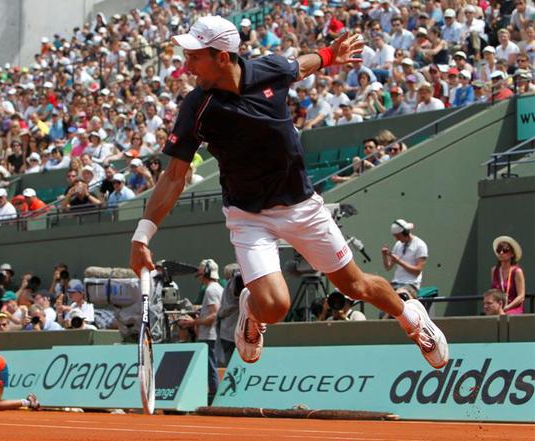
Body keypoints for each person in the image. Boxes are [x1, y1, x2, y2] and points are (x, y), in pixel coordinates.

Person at [128, 16, 448, 369]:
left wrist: (330, 54)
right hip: (248, 216)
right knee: (275, 306)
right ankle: (252, 307)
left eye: (194, 56)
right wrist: (142, 237)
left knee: (355, 286)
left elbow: (300, 67)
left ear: (222, 57)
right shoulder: (196, 106)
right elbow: (174, 176)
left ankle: (413, 319)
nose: (185, 65)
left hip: (302, 207)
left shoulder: (270, 70)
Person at [177, 258, 222, 404]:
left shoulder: (210, 290)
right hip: (212, 334)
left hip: (209, 335)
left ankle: (214, 398)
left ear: (205, 274)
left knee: (210, 367)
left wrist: (192, 322)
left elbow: (214, 315)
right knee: (209, 366)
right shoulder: (218, 288)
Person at [382, 219, 428, 291]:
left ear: (405, 233)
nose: (397, 239)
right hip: (396, 283)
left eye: (398, 236)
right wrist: (385, 256)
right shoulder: (398, 245)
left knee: (399, 294)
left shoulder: (420, 245)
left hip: (411, 284)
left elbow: (417, 271)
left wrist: (399, 261)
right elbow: (388, 267)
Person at [491, 236, 526, 315]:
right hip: (498, 308)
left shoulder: (517, 271)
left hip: (513, 308)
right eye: (499, 250)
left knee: (504, 317)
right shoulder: (494, 270)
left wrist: (507, 307)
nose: (501, 253)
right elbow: (493, 292)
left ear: (512, 254)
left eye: (505, 250)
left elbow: (521, 296)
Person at [217, 265, 242, 366]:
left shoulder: (230, 284)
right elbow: (235, 303)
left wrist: (221, 314)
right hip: (232, 332)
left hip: (229, 331)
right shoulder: (233, 283)